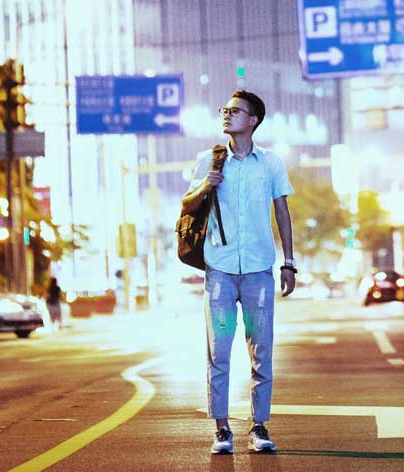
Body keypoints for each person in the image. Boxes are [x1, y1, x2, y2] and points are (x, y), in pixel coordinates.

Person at [181, 89, 295, 455]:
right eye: (225, 110)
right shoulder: (209, 160)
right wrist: (205, 185)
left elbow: (282, 213)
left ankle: (259, 426)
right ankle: (222, 429)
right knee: (220, 351)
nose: (227, 115)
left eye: (235, 111)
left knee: (261, 351)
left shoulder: (270, 162)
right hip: (220, 272)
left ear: (253, 120)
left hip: (259, 272)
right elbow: (187, 204)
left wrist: (288, 262)